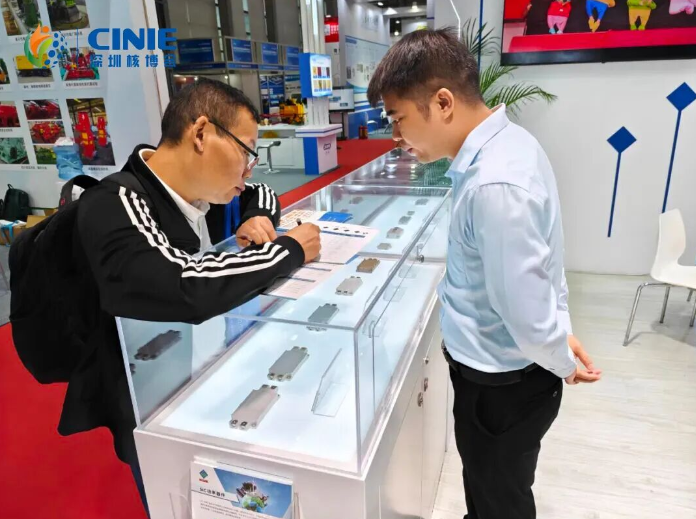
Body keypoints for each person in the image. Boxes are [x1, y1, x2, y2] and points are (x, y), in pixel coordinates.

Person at [367, 29, 602, 519]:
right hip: (501, 378)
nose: (396, 137)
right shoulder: (509, 147)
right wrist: (561, 331)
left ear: (443, 102)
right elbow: (543, 266)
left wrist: (560, 357)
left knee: (499, 498)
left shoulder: (495, 182)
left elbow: (526, 314)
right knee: (488, 485)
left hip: (503, 388)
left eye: (398, 118)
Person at [63, 79, 320, 509]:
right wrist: (287, 251)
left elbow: (262, 192)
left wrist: (256, 217)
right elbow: (182, 284)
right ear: (201, 133)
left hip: (209, 371)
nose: (249, 170)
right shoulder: (114, 203)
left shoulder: (204, 193)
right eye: (246, 152)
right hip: (152, 398)